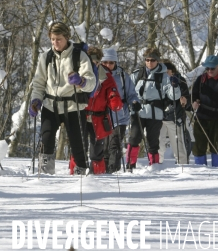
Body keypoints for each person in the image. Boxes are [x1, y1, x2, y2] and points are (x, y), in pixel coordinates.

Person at [28, 22, 97, 175]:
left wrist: (81, 81)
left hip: (74, 106)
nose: (55, 42)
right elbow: (39, 83)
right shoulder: (46, 57)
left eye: (58, 39)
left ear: (67, 37)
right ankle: (45, 174)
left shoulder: (80, 56)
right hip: (50, 105)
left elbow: (92, 83)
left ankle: (81, 176)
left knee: (77, 143)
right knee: (46, 140)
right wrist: (36, 101)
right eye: (52, 39)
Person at [127, 48, 180, 170]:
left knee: (153, 142)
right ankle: (130, 165)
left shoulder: (164, 75)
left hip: (155, 113)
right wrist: (132, 102)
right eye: (147, 60)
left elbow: (174, 96)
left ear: (157, 61)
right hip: (138, 111)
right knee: (134, 138)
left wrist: (175, 86)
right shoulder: (138, 73)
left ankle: (154, 166)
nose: (149, 63)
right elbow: (129, 91)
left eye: (152, 60)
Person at [82, 47, 124, 174]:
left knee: (97, 147)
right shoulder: (80, 73)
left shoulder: (105, 76)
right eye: (90, 61)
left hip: (99, 117)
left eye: (96, 61)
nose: (93, 64)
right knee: (80, 145)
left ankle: (97, 172)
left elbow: (112, 90)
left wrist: (114, 99)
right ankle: (78, 171)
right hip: (81, 115)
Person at [100, 48, 140, 173]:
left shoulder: (122, 76)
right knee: (104, 145)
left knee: (115, 143)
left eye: (111, 63)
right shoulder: (96, 74)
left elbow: (131, 93)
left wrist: (134, 102)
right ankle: (104, 169)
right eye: (105, 62)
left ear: (115, 63)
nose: (108, 65)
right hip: (102, 114)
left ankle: (114, 169)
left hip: (119, 115)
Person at [158, 60, 190, 164]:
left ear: (172, 71)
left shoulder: (180, 81)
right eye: (163, 72)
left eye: (167, 71)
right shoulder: (157, 80)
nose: (166, 74)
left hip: (175, 117)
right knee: (158, 145)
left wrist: (184, 100)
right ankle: (156, 166)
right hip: (159, 117)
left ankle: (183, 166)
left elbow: (187, 98)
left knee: (178, 145)